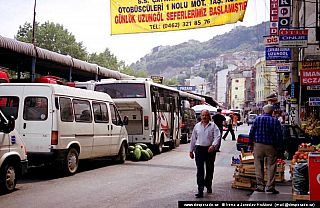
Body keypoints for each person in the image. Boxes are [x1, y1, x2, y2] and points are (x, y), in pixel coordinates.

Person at [248, 104, 283, 194]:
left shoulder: (257, 119)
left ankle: (260, 186)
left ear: (264, 111)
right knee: (271, 166)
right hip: (271, 146)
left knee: (258, 165)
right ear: (272, 112)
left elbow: (251, 132)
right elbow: (279, 135)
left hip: (258, 145)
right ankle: (270, 186)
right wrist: (278, 145)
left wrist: (250, 144)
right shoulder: (275, 121)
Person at [189, 109, 220, 198]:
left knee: (209, 169)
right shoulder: (197, 126)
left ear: (209, 116)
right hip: (199, 149)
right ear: (200, 116)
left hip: (209, 150)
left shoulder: (213, 126)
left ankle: (208, 185)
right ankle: (200, 189)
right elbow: (193, 139)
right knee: (200, 170)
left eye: (206, 115)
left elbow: (217, 136)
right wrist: (191, 150)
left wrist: (213, 146)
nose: (204, 117)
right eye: (203, 115)